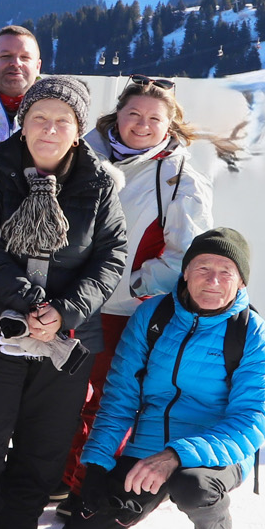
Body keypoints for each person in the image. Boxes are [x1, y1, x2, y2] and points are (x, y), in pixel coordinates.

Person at [0, 75, 128, 529]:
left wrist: (64, 311)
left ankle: (15, 525)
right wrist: (29, 303)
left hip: (67, 336)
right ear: (23, 124)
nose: (49, 129)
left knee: (43, 439)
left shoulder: (100, 183)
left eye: (62, 121)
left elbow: (112, 257)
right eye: (39, 118)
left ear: (78, 128)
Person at [61, 229, 265, 529]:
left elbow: (250, 421)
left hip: (215, 455)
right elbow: (119, 398)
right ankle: (153, 492)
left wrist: (175, 457)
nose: (213, 280)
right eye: (202, 267)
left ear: (240, 282)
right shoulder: (152, 316)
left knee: (192, 485)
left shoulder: (252, 333)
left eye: (225, 271)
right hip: (146, 448)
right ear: (185, 272)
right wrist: (97, 466)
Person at [65, 75, 217, 502]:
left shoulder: (179, 175)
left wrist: (129, 283)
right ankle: (57, 473)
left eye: (154, 117)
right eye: (133, 113)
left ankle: (84, 486)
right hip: (69, 299)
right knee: (60, 395)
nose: (142, 124)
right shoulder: (80, 151)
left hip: (124, 309)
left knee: (108, 401)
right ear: (118, 114)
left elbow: (187, 253)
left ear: (170, 123)